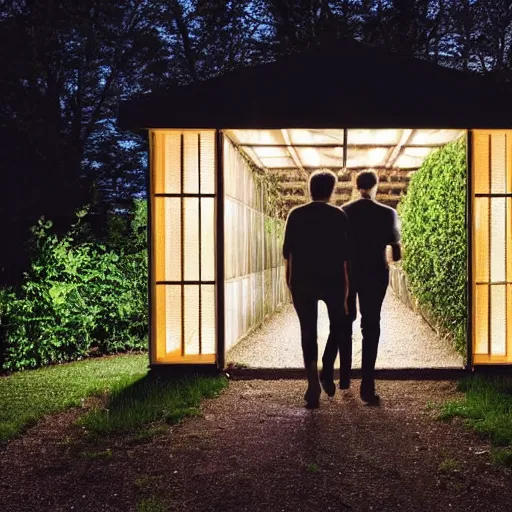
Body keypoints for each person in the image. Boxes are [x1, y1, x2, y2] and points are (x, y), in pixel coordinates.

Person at [324, 170, 401, 405]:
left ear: (357, 187)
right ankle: (367, 386)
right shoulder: (388, 213)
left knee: (345, 321)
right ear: (376, 186)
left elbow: (335, 247)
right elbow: (396, 254)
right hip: (376, 273)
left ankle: (343, 377)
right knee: (371, 324)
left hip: (349, 273)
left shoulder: (344, 212)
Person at [282, 169, 352, 409]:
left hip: (302, 280)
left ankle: (312, 383)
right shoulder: (339, 216)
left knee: (308, 332)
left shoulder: (295, 214)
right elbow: (345, 259)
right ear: (331, 191)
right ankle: (327, 364)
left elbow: (288, 254)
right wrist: (345, 292)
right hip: (332, 280)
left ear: (309, 189)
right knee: (339, 326)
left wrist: (289, 283)